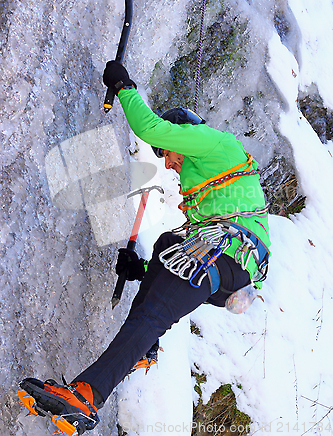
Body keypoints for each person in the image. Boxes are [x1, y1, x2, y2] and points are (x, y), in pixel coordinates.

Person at [18, 61, 271, 435]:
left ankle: (87, 395)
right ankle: (145, 349)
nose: (167, 161)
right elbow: (179, 247)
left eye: (167, 152)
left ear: (182, 135)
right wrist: (142, 269)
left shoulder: (216, 143)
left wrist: (124, 86)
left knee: (152, 314)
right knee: (170, 244)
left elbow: (148, 127)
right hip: (233, 272)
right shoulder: (213, 176)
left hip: (227, 256)